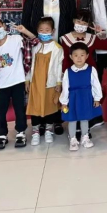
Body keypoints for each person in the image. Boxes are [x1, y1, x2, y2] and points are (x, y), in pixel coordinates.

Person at [23, 0, 76, 136]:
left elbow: (72, 23)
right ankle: (40, 120)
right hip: (39, 48)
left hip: (60, 47)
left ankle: (57, 120)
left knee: (58, 82)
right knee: (40, 84)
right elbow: (26, 22)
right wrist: (32, 44)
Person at [0, 15, 36, 150]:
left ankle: (21, 133)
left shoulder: (16, 39)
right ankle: (2, 135)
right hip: (2, 85)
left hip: (18, 82)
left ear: (4, 26)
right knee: (1, 111)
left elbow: (35, 42)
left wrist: (24, 31)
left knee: (20, 110)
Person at [59, 9, 107, 139]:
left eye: (84, 23)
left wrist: (101, 33)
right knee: (73, 100)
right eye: (78, 21)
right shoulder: (65, 38)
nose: (80, 24)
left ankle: (86, 127)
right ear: (73, 21)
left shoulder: (91, 38)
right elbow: (64, 59)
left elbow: (106, 46)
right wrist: (63, 75)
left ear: (88, 25)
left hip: (89, 73)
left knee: (88, 99)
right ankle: (74, 128)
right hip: (72, 74)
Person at [26, 17, 64, 146]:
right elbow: (29, 64)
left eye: (47, 30)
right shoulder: (35, 46)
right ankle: (35, 131)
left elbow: (59, 67)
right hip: (36, 83)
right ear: (37, 31)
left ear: (53, 31)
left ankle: (48, 130)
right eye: (41, 30)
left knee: (50, 107)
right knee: (35, 107)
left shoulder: (57, 48)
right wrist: (27, 80)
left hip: (50, 83)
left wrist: (58, 83)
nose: (44, 32)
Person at [60, 42, 103, 151]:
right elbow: (65, 87)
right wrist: (64, 102)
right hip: (73, 99)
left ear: (87, 56)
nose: (79, 58)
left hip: (86, 98)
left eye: (82, 55)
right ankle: (72, 139)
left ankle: (85, 137)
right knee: (72, 119)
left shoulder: (91, 70)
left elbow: (96, 84)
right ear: (71, 57)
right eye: (76, 55)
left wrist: (97, 98)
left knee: (84, 118)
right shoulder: (68, 71)